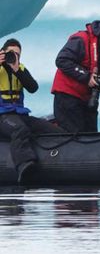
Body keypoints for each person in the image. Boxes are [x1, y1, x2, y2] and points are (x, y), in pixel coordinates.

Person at [0, 38, 65, 184]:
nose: (14, 56)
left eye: (17, 54)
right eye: (10, 53)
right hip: (2, 116)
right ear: (3, 52)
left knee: (53, 130)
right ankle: (25, 165)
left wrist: (16, 69)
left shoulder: (20, 68)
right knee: (20, 129)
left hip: (19, 114)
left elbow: (32, 87)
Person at [52, 20, 100, 132]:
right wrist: (87, 77)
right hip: (68, 96)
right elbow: (62, 60)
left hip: (87, 99)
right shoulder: (81, 39)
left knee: (91, 135)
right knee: (75, 136)